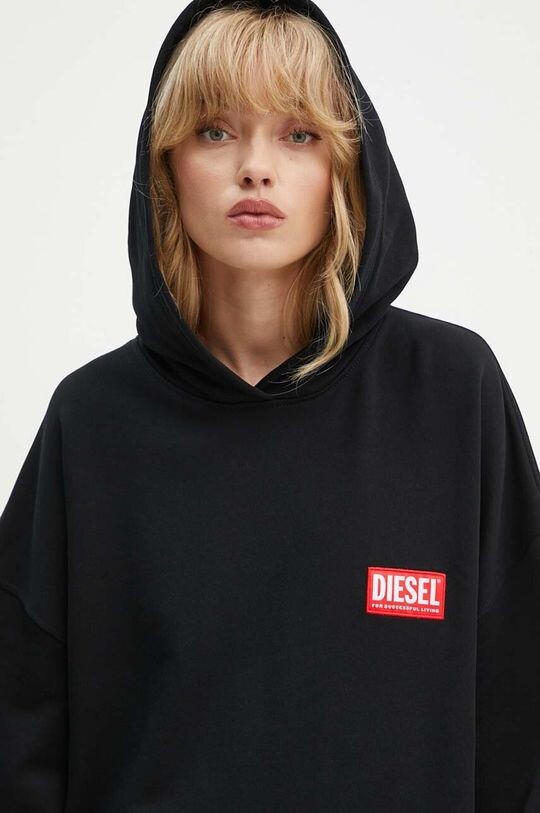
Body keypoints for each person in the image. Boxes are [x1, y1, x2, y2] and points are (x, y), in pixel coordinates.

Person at [1, 1, 539, 810]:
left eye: (299, 134)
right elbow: (22, 743)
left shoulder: (454, 394)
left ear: (344, 168)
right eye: (215, 130)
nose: (256, 168)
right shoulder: (92, 423)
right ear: (166, 165)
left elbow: (522, 724)